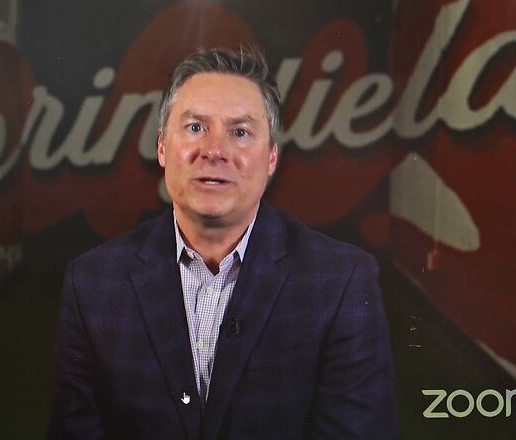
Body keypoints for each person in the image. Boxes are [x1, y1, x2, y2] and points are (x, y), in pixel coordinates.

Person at [49, 47, 398, 439]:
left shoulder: (341, 282)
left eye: (240, 132)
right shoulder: (93, 282)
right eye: (196, 127)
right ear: (162, 147)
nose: (214, 150)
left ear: (270, 158)